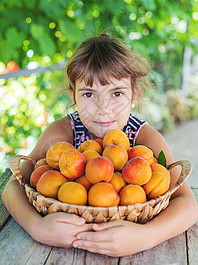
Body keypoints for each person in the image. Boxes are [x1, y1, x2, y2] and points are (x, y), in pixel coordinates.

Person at [2, 33, 198, 257]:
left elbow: (187, 204)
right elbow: (12, 187)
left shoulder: (144, 140)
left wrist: (146, 236)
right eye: (88, 94)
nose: (103, 108)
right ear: (73, 97)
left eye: (116, 93)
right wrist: (37, 227)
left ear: (134, 95)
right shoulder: (61, 135)